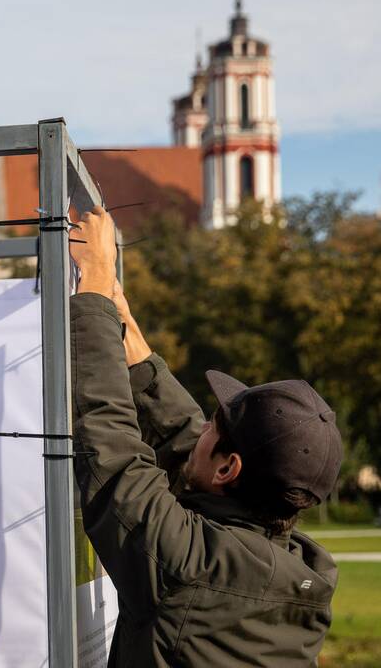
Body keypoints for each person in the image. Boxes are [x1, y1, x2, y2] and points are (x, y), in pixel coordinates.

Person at [67, 205, 341, 667]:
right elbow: (184, 439)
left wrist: (92, 280)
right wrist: (120, 318)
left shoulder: (193, 568)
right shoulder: (295, 567)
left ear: (229, 468)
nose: (203, 428)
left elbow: (111, 449)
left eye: (216, 425)